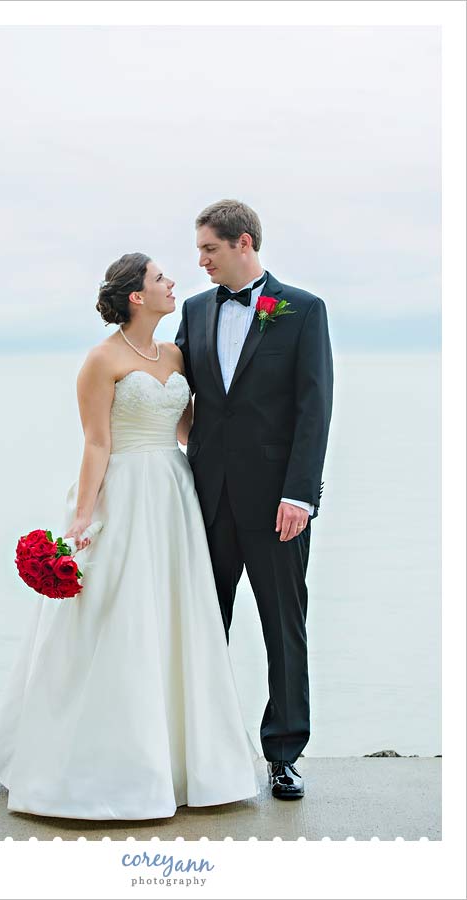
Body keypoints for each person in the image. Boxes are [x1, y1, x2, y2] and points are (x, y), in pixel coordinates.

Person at [0, 252, 259, 820]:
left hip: (174, 494)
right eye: (160, 278)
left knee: (175, 617)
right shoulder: (101, 361)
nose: (172, 282)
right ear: (136, 296)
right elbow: (97, 443)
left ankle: (185, 762)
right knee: (118, 616)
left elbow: (188, 428)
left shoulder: (176, 354)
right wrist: (82, 518)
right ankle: (106, 763)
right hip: (123, 493)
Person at [175, 199, 334, 800]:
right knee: (202, 626)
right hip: (204, 499)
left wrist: (300, 493)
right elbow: (181, 396)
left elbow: (314, 407)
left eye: (209, 249)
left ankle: (285, 754)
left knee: (282, 629)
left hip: (278, 506)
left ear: (243, 243)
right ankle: (203, 748)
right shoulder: (193, 311)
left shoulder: (302, 310)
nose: (201, 261)